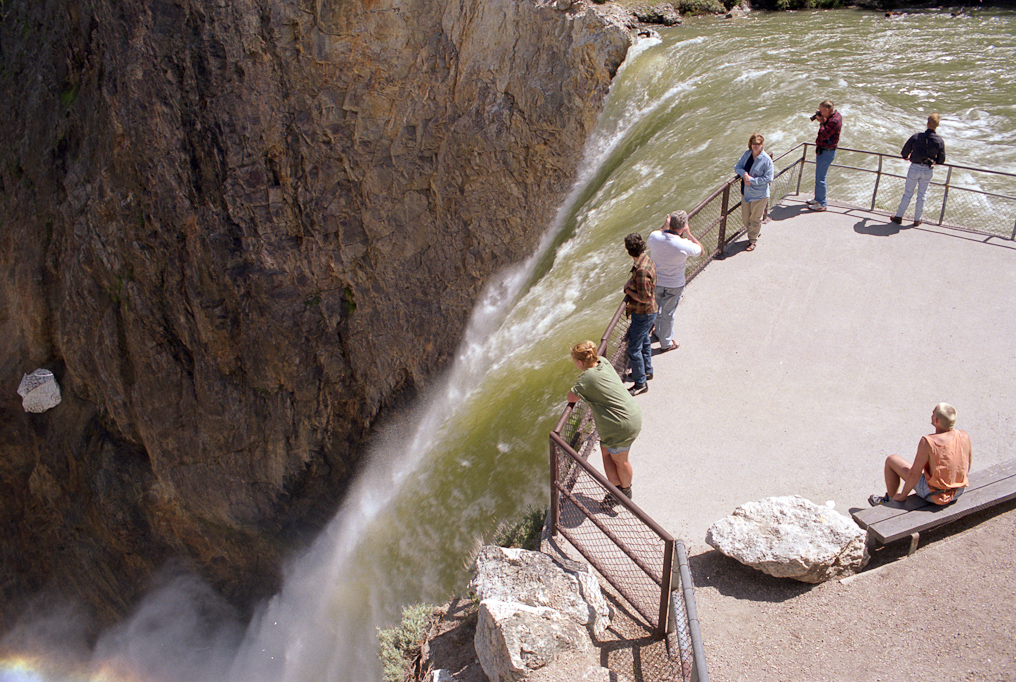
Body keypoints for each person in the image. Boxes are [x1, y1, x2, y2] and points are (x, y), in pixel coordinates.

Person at [567, 340, 642, 506]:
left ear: (580, 362)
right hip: (629, 414)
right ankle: (616, 491)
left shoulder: (587, 377)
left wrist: (581, 379)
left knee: (621, 461)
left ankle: (624, 493)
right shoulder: (602, 361)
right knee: (606, 452)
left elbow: (571, 397)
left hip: (622, 425)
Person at [869, 403, 972, 506]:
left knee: (891, 460)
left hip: (934, 494)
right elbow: (967, 464)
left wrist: (903, 496)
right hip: (958, 491)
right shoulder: (964, 436)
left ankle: (890, 500)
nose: (931, 415)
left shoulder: (928, 442)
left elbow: (914, 473)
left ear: (936, 420)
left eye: (933, 413)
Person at [648, 211, 702, 352]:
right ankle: (666, 343)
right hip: (674, 285)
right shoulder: (684, 244)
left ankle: (657, 332)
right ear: (683, 226)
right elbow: (701, 251)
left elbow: (658, 233)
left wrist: (664, 226)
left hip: (657, 281)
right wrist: (689, 234)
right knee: (668, 313)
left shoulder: (655, 237)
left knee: (656, 309)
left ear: (669, 222)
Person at [891, 113, 946, 227]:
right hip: (927, 169)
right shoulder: (939, 140)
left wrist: (906, 156)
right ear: (937, 125)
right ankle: (917, 219)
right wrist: (935, 161)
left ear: (927, 123)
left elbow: (904, 152)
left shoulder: (916, 136)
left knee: (907, 194)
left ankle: (899, 216)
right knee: (922, 195)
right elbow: (942, 159)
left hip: (915, 167)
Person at [623, 232, 657, 396]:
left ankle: (640, 383)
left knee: (633, 348)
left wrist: (628, 289)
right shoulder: (646, 259)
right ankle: (647, 371)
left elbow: (645, 298)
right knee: (644, 342)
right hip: (649, 313)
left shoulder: (642, 270)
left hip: (643, 313)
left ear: (630, 251)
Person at [734, 133, 775, 250]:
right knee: (746, 218)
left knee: (755, 219)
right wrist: (744, 174)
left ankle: (752, 241)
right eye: (753, 144)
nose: (755, 146)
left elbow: (769, 178)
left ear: (762, 145)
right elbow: (737, 167)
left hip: (759, 195)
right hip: (746, 193)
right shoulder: (747, 155)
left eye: (757, 144)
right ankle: (755, 232)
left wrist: (752, 180)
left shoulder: (766, 160)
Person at [807, 100, 842, 212]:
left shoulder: (834, 122)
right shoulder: (835, 116)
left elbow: (823, 135)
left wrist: (822, 122)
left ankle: (822, 203)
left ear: (827, 110)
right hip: (824, 150)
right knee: (818, 177)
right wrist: (823, 119)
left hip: (827, 151)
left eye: (821, 110)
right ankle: (817, 199)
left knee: (821, 178)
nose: (820, 112)